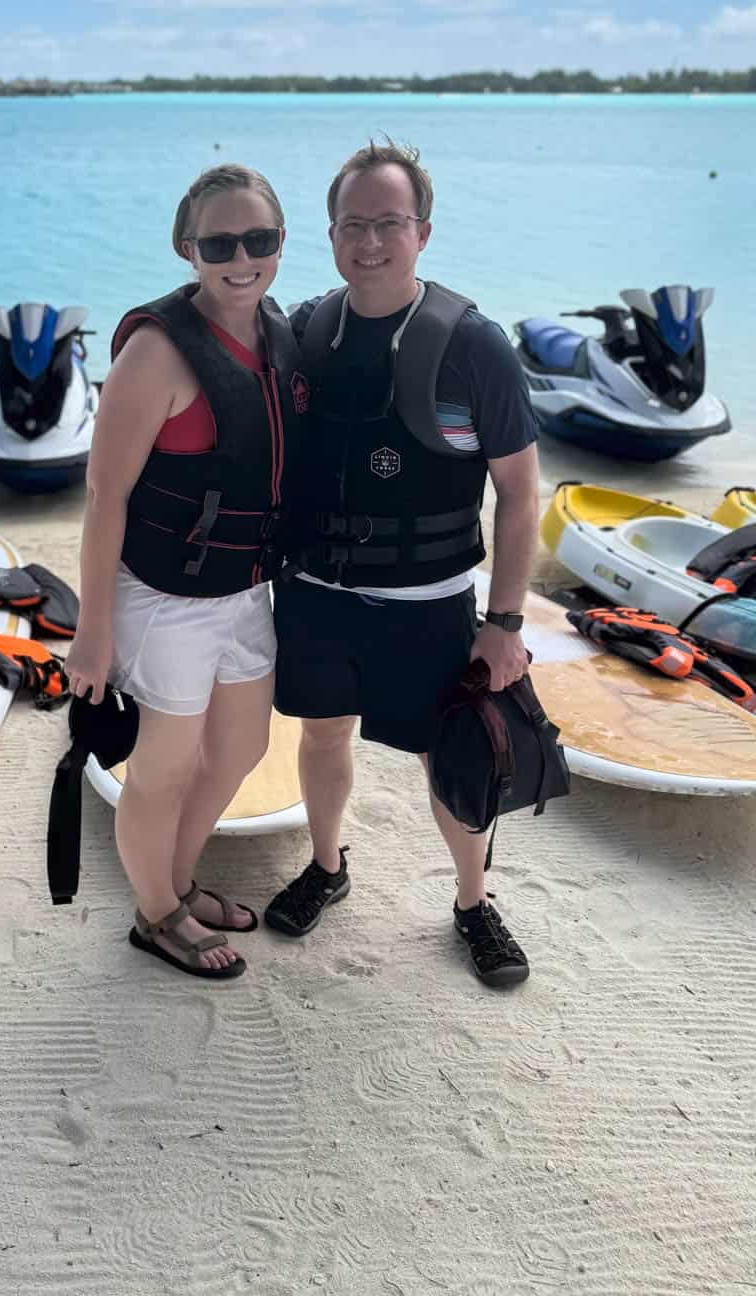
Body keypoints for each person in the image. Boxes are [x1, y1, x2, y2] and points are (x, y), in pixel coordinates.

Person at [267, 138, 539, 986]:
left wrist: (503, 626)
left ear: (422, 231)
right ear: (331, 231)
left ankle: (472, 902)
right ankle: (326, 865)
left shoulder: (474, 346)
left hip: (428, 602)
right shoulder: (309, 329)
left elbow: (522, 496)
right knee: (321, 734)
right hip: (315, 591)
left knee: (450, 754)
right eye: (353, 223)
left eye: (389, 223)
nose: (369, 241)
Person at [65, 164, 303, 981]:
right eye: (220, 243)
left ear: (281, 242)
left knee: (240, 747)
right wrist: (92, 634)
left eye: (260, 240)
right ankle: (157, 914)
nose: (242, 259)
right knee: (161, 770)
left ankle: (177, 879)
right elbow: (104, 499)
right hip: (161, 598)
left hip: (245, 589)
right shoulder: (156, 353)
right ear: (186, 247)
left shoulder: (277, 330)